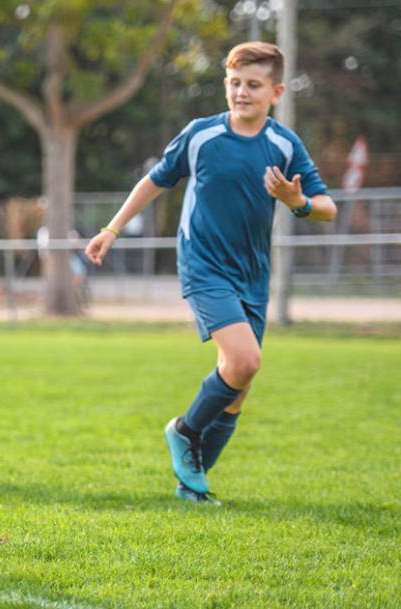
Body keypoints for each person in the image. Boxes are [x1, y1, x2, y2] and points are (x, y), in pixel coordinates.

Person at [85, 42, 336, 505]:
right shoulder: (201, 135)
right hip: (203, 265)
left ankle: (191, 486)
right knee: (245, 362)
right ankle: (183, 431)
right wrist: (111, 229)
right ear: (225, 85)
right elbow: (155, 181)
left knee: (237, 387)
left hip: (253, 276)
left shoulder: (284, 144)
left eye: (254, 85)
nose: (242, 92)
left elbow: (326, 207)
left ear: (276, 91)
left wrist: (296, 202)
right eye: (235, 83)